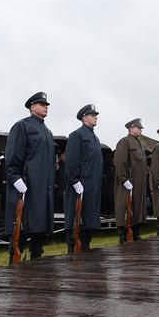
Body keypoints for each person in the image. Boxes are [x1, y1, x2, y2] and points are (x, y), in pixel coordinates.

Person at [4, 92, 55, 263]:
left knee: (39, 230)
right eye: (42, 104)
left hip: (42, 188)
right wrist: (15, 176)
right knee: (21, 230)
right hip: (27, 186)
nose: (46, 106)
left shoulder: (47, 131)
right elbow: (13, 154)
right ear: (33, 107)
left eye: (46, 104)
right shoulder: (22, 126)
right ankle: (14, 263)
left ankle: (37, 261)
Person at [64, 104, 103, 252]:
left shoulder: (94, 137)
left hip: (92, 186)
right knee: (77, 222)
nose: (95, 117)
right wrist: (75, 180)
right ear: (85, 118)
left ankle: (86, 245)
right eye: (93, 115)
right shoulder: (77, 135)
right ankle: (72, 249)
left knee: (88, 223)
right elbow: (72, 160)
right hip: (80, 186)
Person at [113, 118, 148, 243]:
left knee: (136, 209)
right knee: (125, 209)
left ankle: (136, 234)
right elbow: (120, 161)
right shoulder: (125, 141)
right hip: (127, 183)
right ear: (131, 128)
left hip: (138, 183)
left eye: (140, 128)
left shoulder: (139, 144)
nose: (140, 130)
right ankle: (123, 237)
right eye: (138, 128)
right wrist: (124, 179)